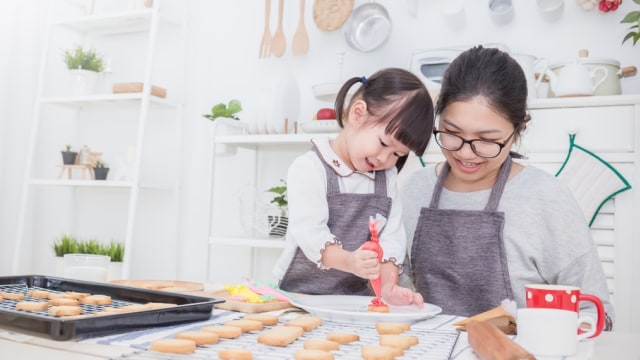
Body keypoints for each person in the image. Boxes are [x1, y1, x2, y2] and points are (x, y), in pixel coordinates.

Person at [400, 46, 614, 329]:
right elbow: (397, 295)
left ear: (518, 131)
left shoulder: (546, 197)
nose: (466, 153)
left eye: (487, 139)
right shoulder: (414, 190)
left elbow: (593, 312)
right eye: (452, 133)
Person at [273, 68, 434, 306]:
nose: (384, 159)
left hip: (352, 300)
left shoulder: (386, 178)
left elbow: (392, 239)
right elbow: (310, 234)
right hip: (297, 297)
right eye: (383, 143)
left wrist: (389, 287)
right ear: (358, 114)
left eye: (397, 154)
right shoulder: (309, 168)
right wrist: (349, 261)